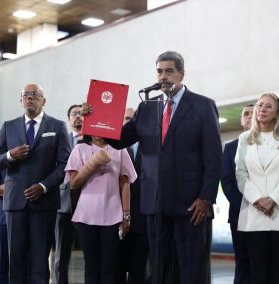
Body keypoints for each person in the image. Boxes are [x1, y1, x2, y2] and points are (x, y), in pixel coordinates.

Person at [83, 51, 222, 284]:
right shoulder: (148, 106)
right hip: (154, 203)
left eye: (169, 71)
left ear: (181, 74)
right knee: (159, 267)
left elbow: (213, 157)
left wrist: (206, 197)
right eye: (159, 71)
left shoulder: (203, 105)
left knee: (191, 268)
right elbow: (119, 139)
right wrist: (96, 116)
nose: (163, 76)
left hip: (191, 205)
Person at [0, 83, 71, 284]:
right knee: (14, 260)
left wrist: (43, 186)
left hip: (44, 202)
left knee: (39, 261)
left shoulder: (57, 126)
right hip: (15, 203)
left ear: (44, 100)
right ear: (21, 100)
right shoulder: (9, 126)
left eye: (35, 94)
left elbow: (64, 165)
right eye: (26, 95)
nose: (30, 98)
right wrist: (10, 155)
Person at [235, 92, 279, 284]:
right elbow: (241, 174)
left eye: (268, 106)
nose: (262, 110)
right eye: (259, 105)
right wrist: (258, 199)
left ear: (277, 112)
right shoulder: (244, 138)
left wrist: (273, 199)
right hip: (254, 212)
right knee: (258, 271)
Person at [65, 135, 137, 284]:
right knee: (91, 265)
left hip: (113, 215)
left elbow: (125, 184)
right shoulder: (79, 149)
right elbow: (74, 183)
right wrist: (93, 164)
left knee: (109, 266)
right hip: (86, 215)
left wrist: (127, 215)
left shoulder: (120, 149)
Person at [115, 107, 150, 284]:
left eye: (133, 119)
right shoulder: (113, 148)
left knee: (139, 269)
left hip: (143, 218)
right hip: (114, 217)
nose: (129, 123)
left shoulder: (150, 146)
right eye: (126, 119)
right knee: (116, 268)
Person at [221, 103, 254, 284]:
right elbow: (227, 181)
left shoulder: (272, 143)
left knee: (262, 262)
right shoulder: (230, 147)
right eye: (246, 114)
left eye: (253, 113)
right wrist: (246, 205)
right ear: (241, 121)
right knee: (243, 262)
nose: (250, 116)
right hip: (239, 213)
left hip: (267, 214)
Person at [54, 104, 84, 284]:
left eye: (81, 113)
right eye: (74, 114)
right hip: (63, 203)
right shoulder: (61, 140)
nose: (78, 117)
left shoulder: (93, 141)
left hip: (89, 203)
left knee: (92, 254)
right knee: (60, 254)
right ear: (69, 119)